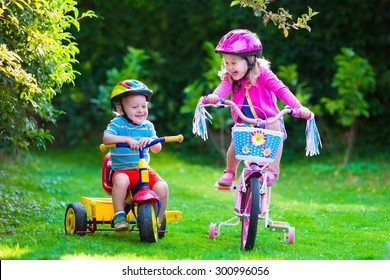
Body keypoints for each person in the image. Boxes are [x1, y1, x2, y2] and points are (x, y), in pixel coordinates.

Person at [207, 29, 311, 188]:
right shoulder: (231, 78)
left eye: (233, 63)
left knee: (274, 128)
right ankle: (229, 172)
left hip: (269, 121)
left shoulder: (264, 74)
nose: (229, 67)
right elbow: (222, 89)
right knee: (237, 139)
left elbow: (281, 90)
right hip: (247, 122)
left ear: (250, 60)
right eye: (226, 63)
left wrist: (298, 107)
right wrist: (214, 97)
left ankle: (272, 170)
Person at [103, 79, 168, 231]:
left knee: (162, 187)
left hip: (143, 171)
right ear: (120, 109)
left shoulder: (148, 126)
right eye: (134, 107)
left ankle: (158, 219)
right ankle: (119, 215)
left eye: (144, 106)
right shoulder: (117, 124)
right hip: (122, 170)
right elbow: (106, 139)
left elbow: (157, 148)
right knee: (121, 180)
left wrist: (151, 140)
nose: (141, 110)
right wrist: (126, 139)